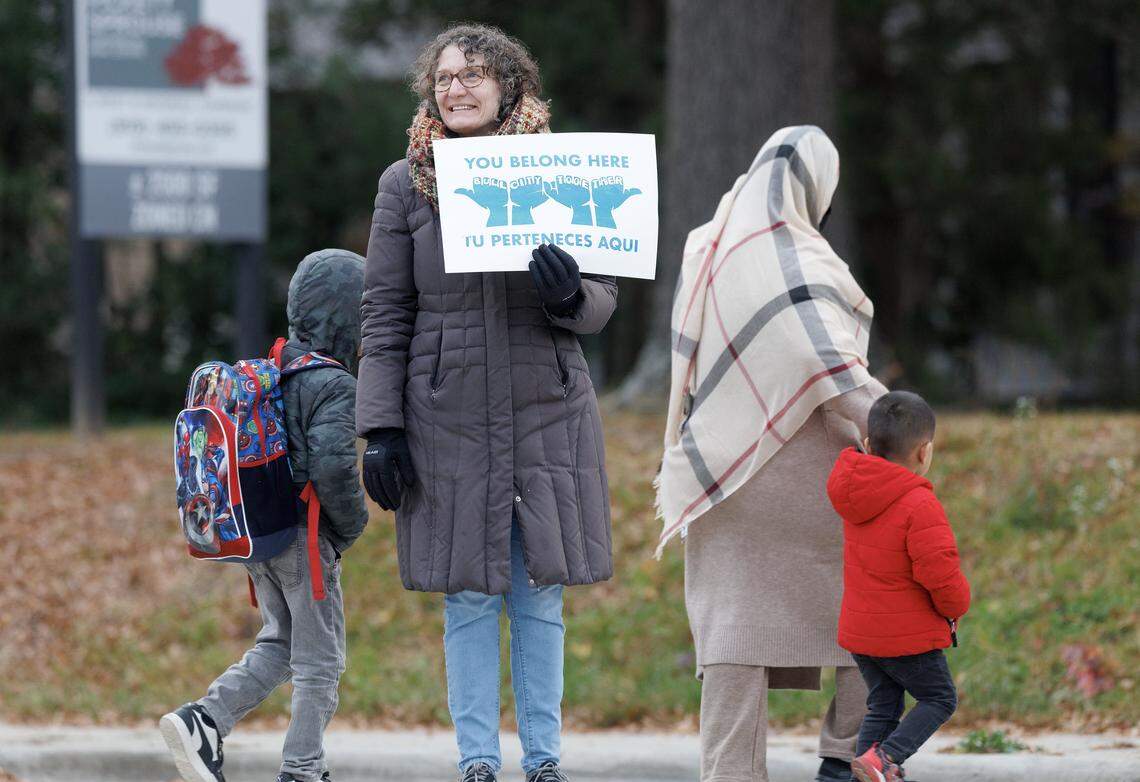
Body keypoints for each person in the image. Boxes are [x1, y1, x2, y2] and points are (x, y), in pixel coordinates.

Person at [355, 24, 617, 782]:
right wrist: (379, 428)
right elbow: (385, 311)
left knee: (540, 594)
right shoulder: (405, 185)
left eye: (473, 75)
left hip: (547, 410)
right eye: (444, 78)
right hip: (448, 419)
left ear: (509, 86)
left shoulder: (561, 172)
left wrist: (571, 295)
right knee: (468, 596)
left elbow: (604, 299)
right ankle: (477, 760)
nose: (456, 88)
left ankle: (544, 761)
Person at [656, 125, 888, 782]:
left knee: (734, 637)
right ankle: (845, 760)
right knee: (861, 621)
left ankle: (731, 771)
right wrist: (891, 418)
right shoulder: (804, 257)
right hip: (813, 476)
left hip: (725, 474)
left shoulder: (706, 246)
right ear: (817, 187)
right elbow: (828, 366)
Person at [160, 250, 369, 782]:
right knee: (321, 663)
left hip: (262, 536)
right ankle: (302, 769)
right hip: (306, 539)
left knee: (280, 644)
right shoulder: (336, 384)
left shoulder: (274, 368)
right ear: (347, 318)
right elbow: (332, 465)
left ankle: (203, 719)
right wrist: (352, 525)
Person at [826, 391, 971, 782]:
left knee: (884, 705)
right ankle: (886, 758)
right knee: (939, 698)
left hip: (862, 635)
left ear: (870, 445)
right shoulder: (918, 504)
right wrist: (957, 606)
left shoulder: (854, 494)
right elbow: (939, 573)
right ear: (924, 452)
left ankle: (866, 772)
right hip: (904, 637)